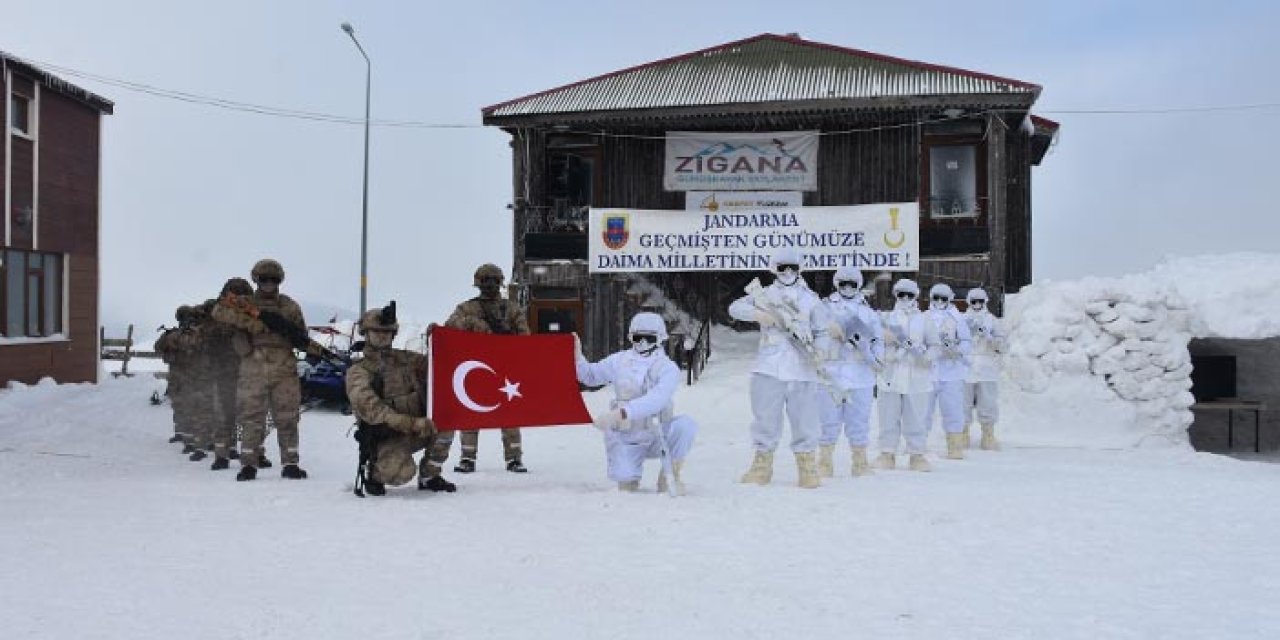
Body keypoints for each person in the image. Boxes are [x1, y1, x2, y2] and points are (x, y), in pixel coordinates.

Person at [728, 247, 834, 489]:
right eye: (782, 268)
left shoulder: (811, 300)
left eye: (792, 268)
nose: (787, 272)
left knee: (805, 420)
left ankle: (807, 466)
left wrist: (820, 352)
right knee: (765, 418)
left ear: (799, 269)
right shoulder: (765, 295)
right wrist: (758, 314)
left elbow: (822, 332)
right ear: (774, 269)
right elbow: (734, 308)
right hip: (769, 366)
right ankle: (762, 465)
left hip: (802, 367)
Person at [425, 263, 531, 478]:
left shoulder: (512, 309)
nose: (490, 285)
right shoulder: (467, 309)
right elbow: (449, 327)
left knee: (509, 414)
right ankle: (467, 458)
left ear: (500, 283)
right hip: (475, 368)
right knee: (470, 412)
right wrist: (473, 324)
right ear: (478, 283)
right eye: (486, 281)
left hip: (503, 368)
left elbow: (525, 338)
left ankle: (514, 458)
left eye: (493, 281)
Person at [573, 312, 697, 494]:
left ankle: (670, 474)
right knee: (626, 485)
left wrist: (621, 413)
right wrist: (577, 356)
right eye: (638, 338)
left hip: (657, 434)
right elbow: (590, 376)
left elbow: (657, 399)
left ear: (659, 338)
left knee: (685, 426)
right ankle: (629, 475)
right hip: (626, 436)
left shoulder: (668, 368)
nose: (642, 343)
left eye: (649, 338)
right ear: (631, 337)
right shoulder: (619, 361)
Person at [211, 258, 308, 481]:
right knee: (251, 417)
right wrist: (249, 322)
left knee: (288, 417)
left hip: (283, 366)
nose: (269, 284)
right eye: (264, 279)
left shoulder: (289, 306)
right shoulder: (245, 303)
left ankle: (290, 463)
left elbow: (301, 335)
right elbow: (218, 311)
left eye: (274, 280)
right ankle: (248, 464)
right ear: (256, 280)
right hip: (253, 366)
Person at [346, 302, 453, 495]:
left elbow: (436, 365)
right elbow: (371, 409)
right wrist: (411, 423)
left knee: (446, 425)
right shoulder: (359, 370)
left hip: (417, 428)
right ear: (366, 334)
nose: (382, 336)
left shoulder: (406, 359)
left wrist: (436, 341)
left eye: (387, 332)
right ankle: (375, 472)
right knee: (400, 473)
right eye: (376, 332)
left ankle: (430, 476)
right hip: (386, 436)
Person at [815, 266, 884, 478]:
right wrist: (830, 337)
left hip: (860, 375)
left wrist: (869, 352)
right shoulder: (824, 308)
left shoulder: (868, 313)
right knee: (828, 420)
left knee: (859, 420)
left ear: (859, 285)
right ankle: (824, 462)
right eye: (843, 283)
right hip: (831, 373)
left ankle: (860, 462)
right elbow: (812, 336)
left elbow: (878, 343)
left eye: (852, 284)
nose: (847, 288)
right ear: (836, 284)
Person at [876, 279, 938, 472]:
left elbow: (935, 345)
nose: (905, 298)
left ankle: (916, 455)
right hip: (890, 376)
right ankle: (887, 453)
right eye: (901, 294)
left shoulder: (924, 320)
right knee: (888, 416)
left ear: (915, 296)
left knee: (916, 417)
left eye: (909, 295)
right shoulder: (886, 318)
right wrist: (886, 348)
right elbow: (873, 343)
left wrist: (926, 358)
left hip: (916, 376)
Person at [203, 277, 263, 471]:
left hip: (249, 368)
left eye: (242, 296)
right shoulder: (217, 313)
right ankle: (222, 454)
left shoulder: (253, 311)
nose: (238, 299)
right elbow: (207, 336)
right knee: (224, 414)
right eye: (234, 296)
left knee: (253, 414)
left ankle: (256, 453)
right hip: (224, 369)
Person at [155, 304, 212, 459]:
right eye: (183, 318)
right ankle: (183, 434)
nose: (186, 321)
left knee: (197, 407)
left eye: (189, 318)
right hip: (178, 375)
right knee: (180, 405)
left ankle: (200, 439)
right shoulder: (173, 334)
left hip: (196, 376)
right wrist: (169, 339)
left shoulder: (200, 333)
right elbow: (158, 348)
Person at [922, 283, 972, 460]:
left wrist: (956, 350)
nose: (939, 302)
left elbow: (967, 342)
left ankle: (955, 445)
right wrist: (926, 351)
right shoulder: (924, 317)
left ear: (949, 299)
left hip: (951, 372)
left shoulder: (957, 318)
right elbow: (918, 339)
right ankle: (918, 445)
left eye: (943, 298)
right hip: (928, 372)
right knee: (922, 410)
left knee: (953, 409)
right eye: (936, 298)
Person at [962, 288, 1006, 450]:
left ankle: (988, 435)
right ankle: (962, 434)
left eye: (980, 301)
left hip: (987, 367)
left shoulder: (992, 320)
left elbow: (1003, 345)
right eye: (974, 301)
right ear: (969, 302)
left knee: (988, 402)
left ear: (985, 302)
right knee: (962, 402)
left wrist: (989, 338)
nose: (977, 304)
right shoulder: (961, 320)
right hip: (966, 367)